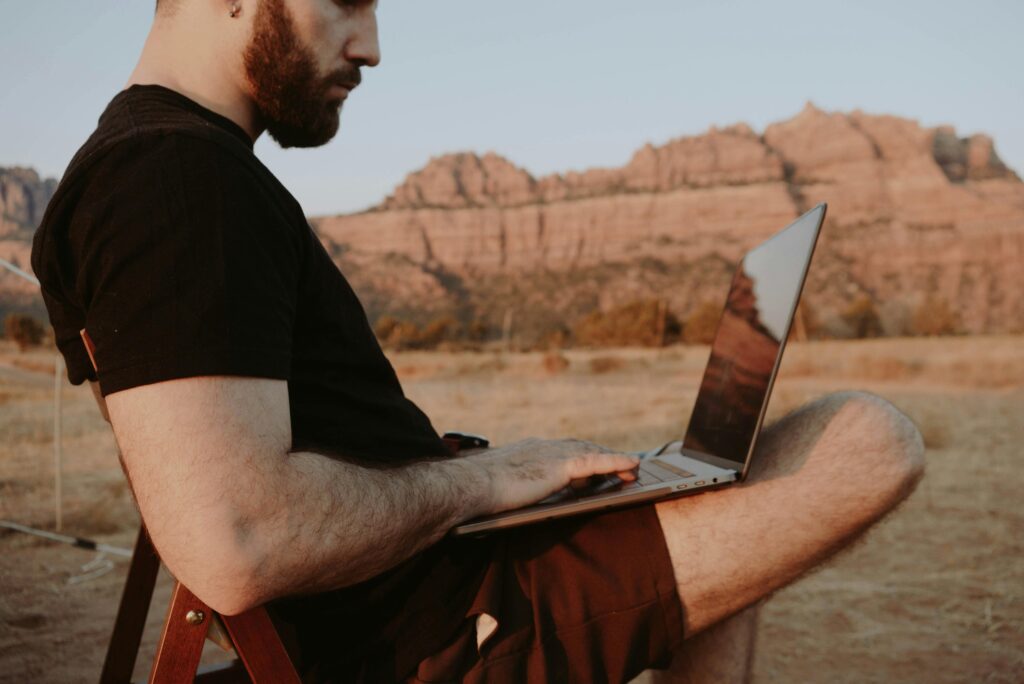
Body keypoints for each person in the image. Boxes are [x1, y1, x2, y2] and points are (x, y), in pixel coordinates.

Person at [30, 1, 925, 682]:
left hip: (438, 578)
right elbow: (237, 540)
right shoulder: (173, 178)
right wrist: (487, 481)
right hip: (448, 628)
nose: (372, 44)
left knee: (715, 492)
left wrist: (500, 487)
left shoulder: (172, 165)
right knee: (864, 437)